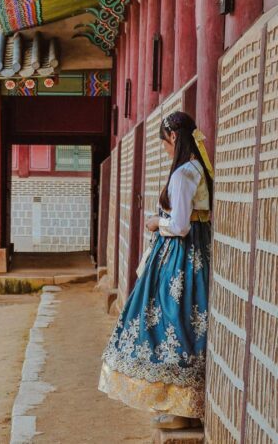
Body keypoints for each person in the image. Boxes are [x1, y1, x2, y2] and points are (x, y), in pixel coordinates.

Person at [99, 111, 213, 429]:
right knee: (188, 327)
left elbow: (178, 226)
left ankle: (180, 410)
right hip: (198, 257)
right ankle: (185, 406)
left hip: (178, 257)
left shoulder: (182, 175)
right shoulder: (199, 170)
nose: (164, 148)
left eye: (164, 142)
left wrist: (155, 222)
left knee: (168, 324)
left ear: (173, 138)